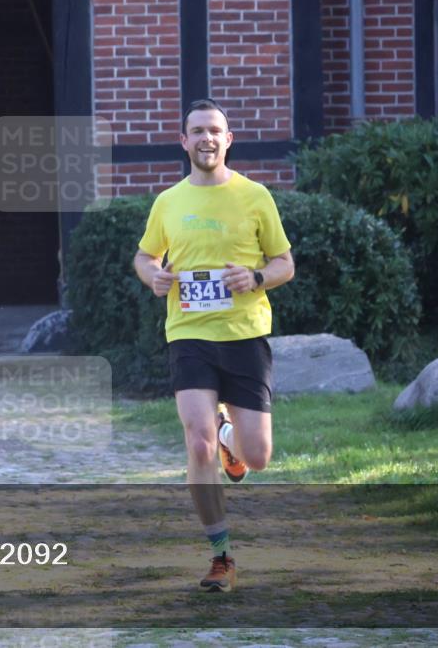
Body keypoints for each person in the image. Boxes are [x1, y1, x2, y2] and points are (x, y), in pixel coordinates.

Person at [133, 99, 295, 592]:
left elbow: (285, 263)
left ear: (228, 140)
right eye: (197, 130)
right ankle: (220, 555)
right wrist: (153, 277)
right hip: (189, 335)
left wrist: (258, 276)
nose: (206, 138)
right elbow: (144, 256)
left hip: (245, 336)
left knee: (259, 456)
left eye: (215, 131)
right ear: (183, 141)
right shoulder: (168, 202)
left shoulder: (255, 197)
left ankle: (233, 440)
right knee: (196, 440)